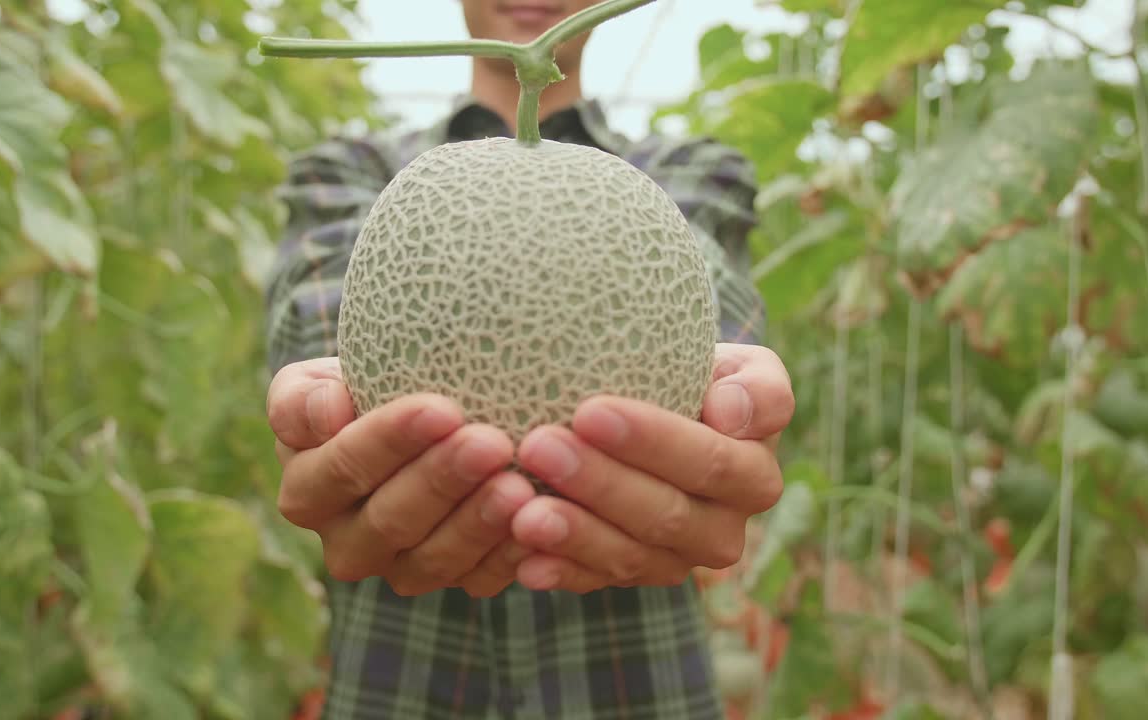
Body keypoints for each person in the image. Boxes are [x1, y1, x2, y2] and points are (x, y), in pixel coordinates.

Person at [262, 1, 795, 717]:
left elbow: (711, 315)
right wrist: (321, 403)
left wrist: (734, 396)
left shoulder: (685, 171)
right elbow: (323, 327)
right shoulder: (350, 170)